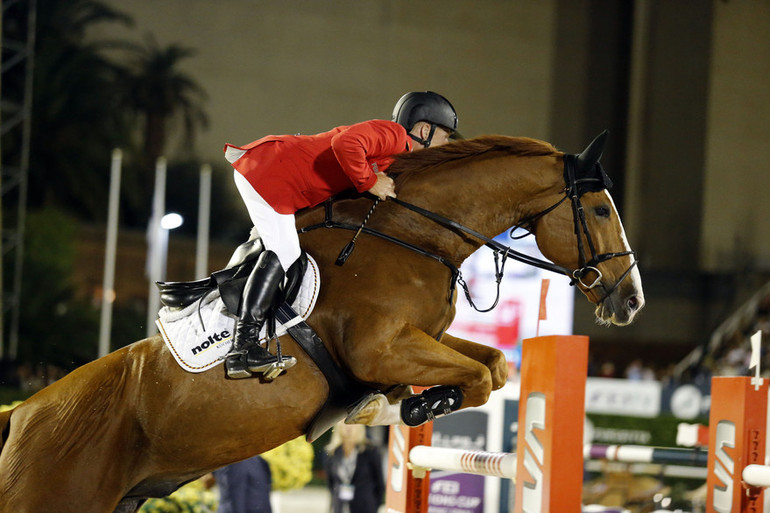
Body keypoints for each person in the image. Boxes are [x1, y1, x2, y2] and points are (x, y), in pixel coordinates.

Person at [222, 91, 459, 379]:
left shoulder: (398, 155)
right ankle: (242, 348)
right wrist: (370, 182)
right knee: (284, 253)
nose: (446, 144)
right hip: (269, 173)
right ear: (424, 130)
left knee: (288, 252)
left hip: (278, 178)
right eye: (445, 136)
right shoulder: (395, 135)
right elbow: (345, 143)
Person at [324, 422, 385, 513]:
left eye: (352, 423)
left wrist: (374, 507)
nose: (348, 427)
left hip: (365, 507)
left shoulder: (371, 450)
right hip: (340, 507)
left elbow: (380, 484)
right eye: (344, 423)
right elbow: (331, 484)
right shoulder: (332, 452)